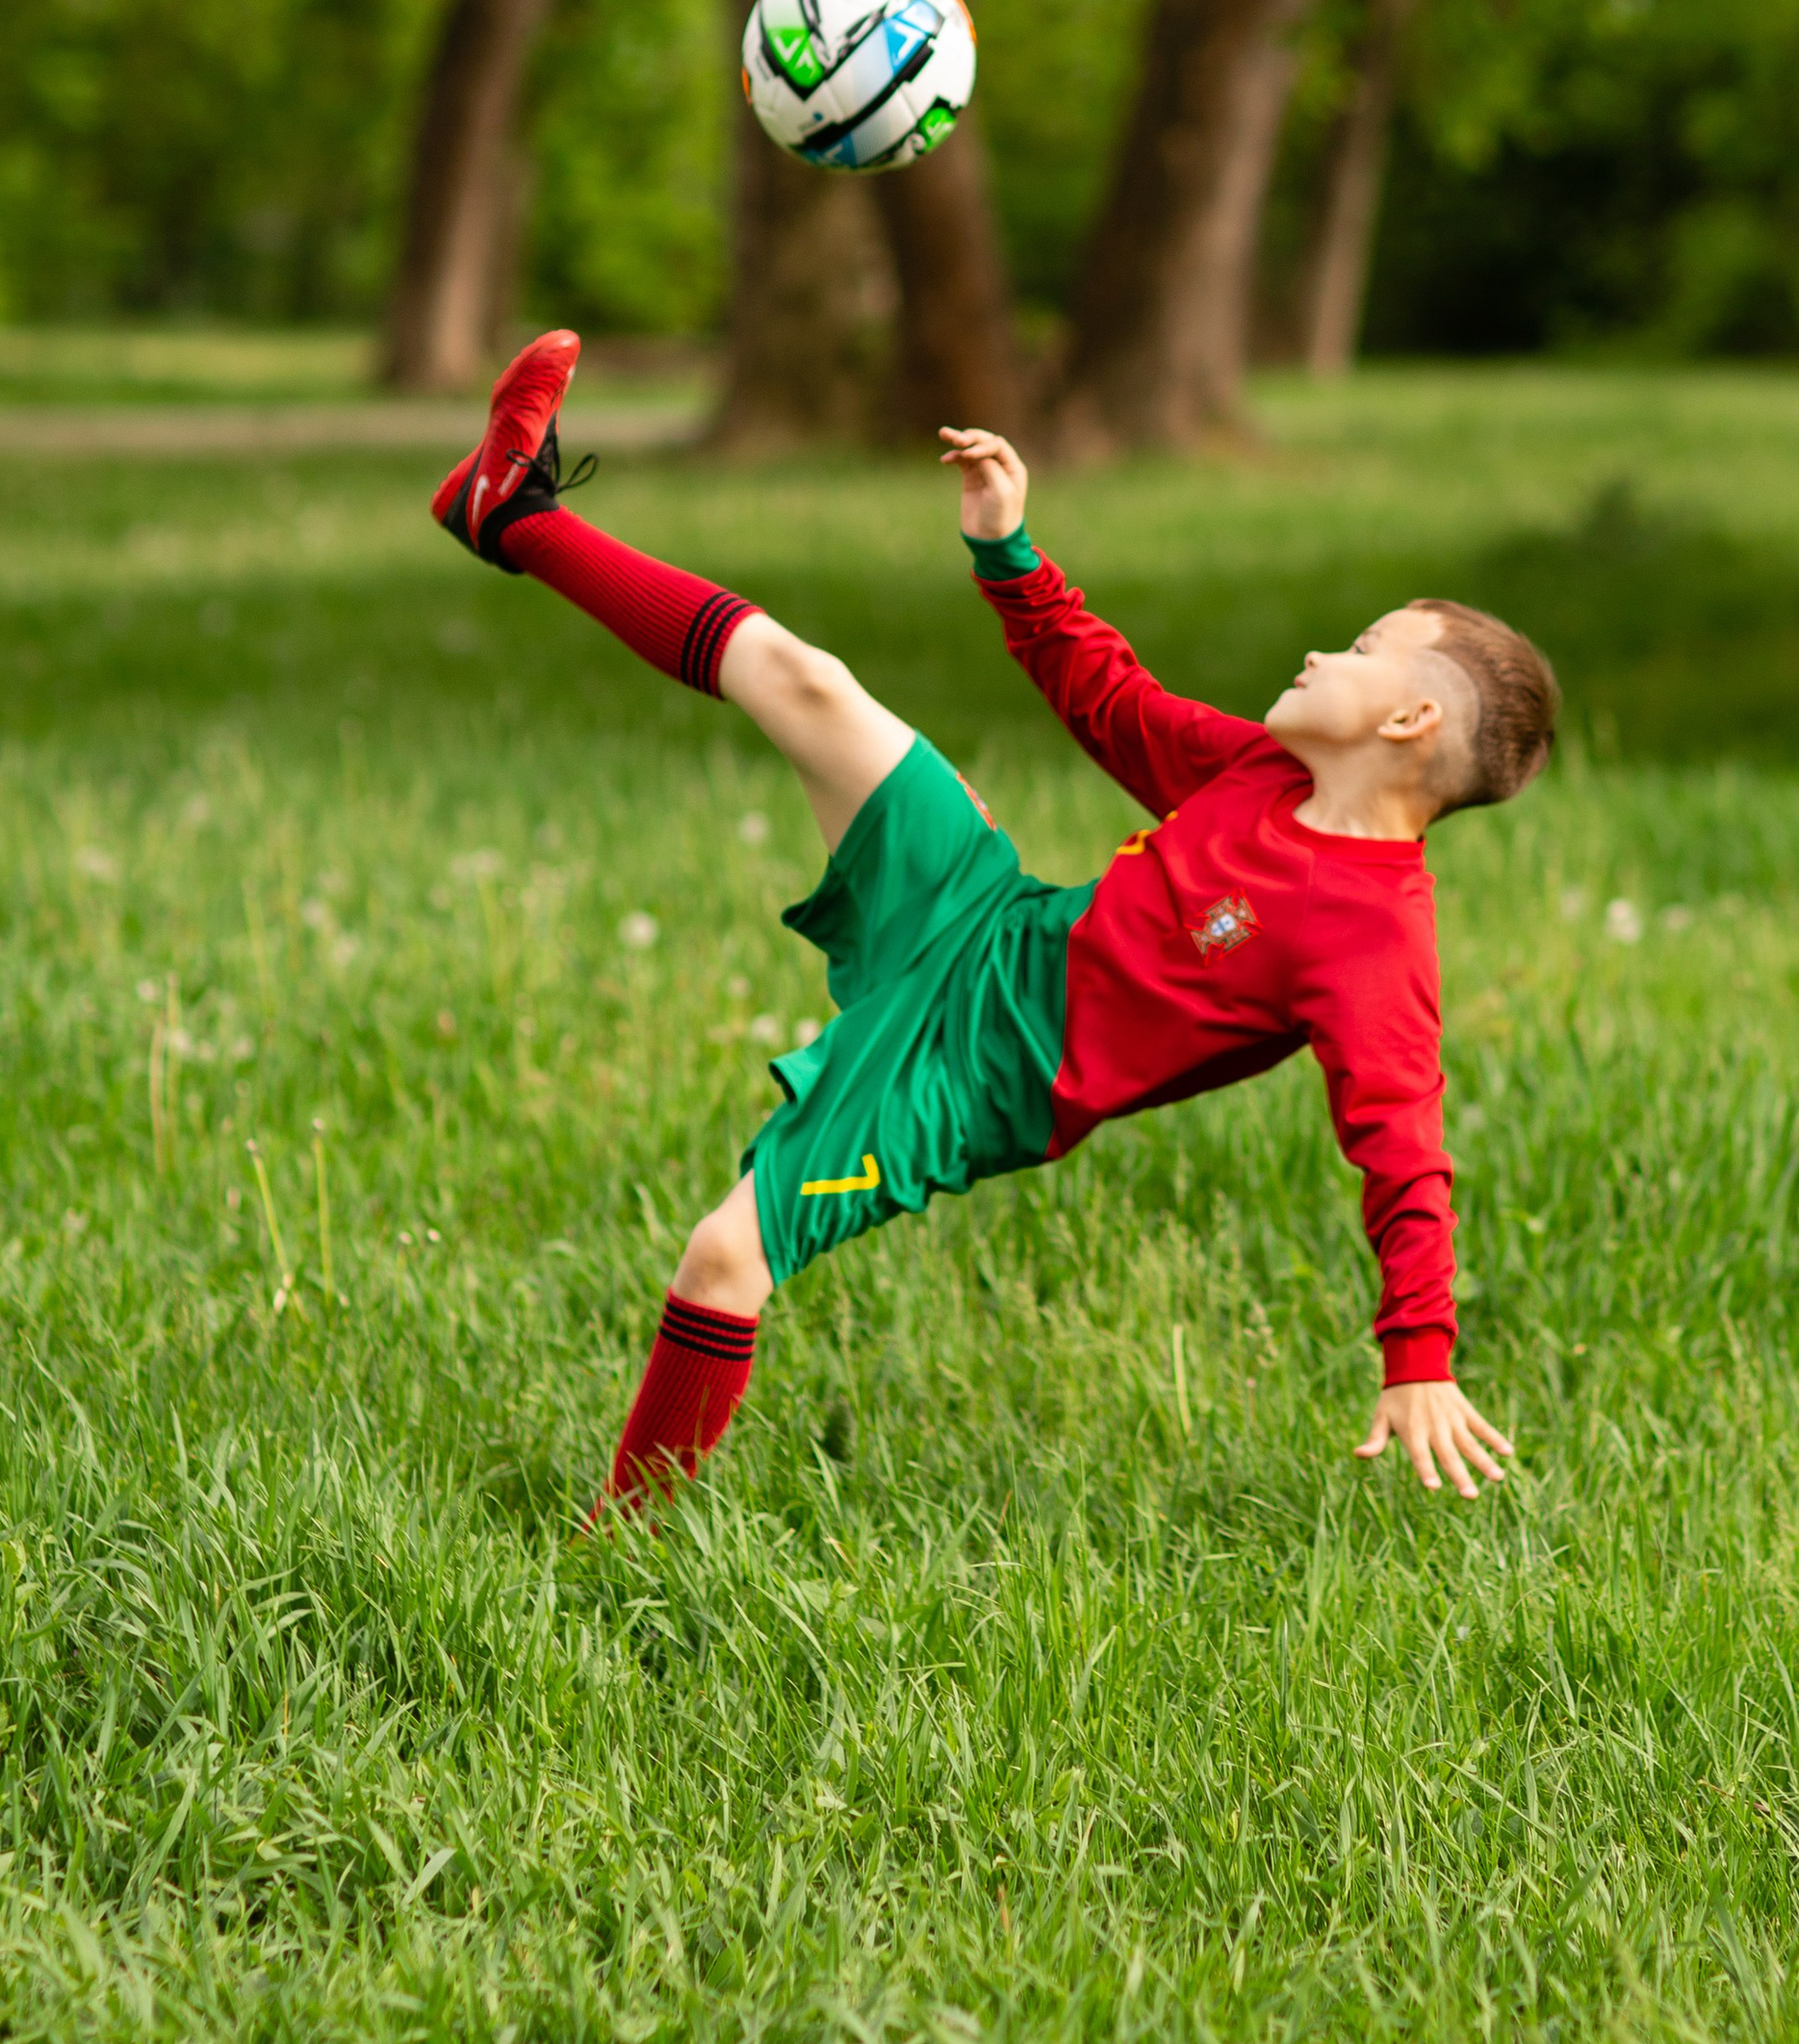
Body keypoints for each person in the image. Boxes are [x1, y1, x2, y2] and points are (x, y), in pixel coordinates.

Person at [433, 330, 1558, 1506]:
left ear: (1409, 722)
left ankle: (623, 1541)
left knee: (724, 1258)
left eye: (1364, 650)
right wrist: (1007, 552)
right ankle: (508, 510)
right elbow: (1112, 700)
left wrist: (1417, 1355)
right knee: (804, 679)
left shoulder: (1369, 934)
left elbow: (1401, 1144)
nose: (1327, 649)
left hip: (970, 1073)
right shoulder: (1260, 774)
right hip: (984, 917)